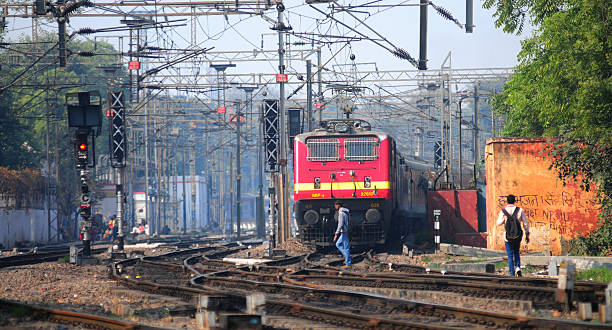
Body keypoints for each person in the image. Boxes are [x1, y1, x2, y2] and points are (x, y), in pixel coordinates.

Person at [496, 194, 530, 276]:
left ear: (507, 201)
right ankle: (518, 267)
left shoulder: (503, 211)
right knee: (516, 252)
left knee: (510, 255)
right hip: (518, 235)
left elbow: (498, 223)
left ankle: (512, 274)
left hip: (508, 237)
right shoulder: (520, 210)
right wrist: (527, 234)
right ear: (514, 201)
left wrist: (505, 219)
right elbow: (525, 223)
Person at [333, 201, 352, 267]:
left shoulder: (341, 213)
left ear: (338, 205)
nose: (335, 206)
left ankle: (348, 263)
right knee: (338, 244)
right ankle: (347, 257)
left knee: (346, 248)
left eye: (335, 205)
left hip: (344, 232)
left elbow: (340, 224)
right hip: (344, 232)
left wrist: (336, 234)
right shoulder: (346, 212)